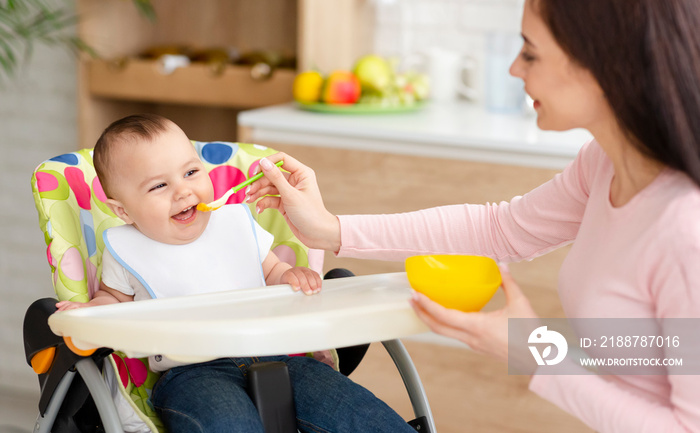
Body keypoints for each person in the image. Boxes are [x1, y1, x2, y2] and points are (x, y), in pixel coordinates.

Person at [244, 0, 700, 431]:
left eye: (530, 54)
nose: (513, 69)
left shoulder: (684, 227)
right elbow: (499, 229)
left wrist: (532, 349)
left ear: (603, 66)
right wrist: (331, 229)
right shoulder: (605, 164)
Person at [55, 114, 417, 433]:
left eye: (191, 172)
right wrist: (92, 310)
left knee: (362, 415)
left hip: (279, 355)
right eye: (159, 186)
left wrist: (291, 276)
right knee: (229, 426)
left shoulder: (235, 222)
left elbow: (272, 269)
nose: (183, 190)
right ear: (123, 211)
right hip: (194, 373)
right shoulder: (124, 249)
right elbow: (114, 298)